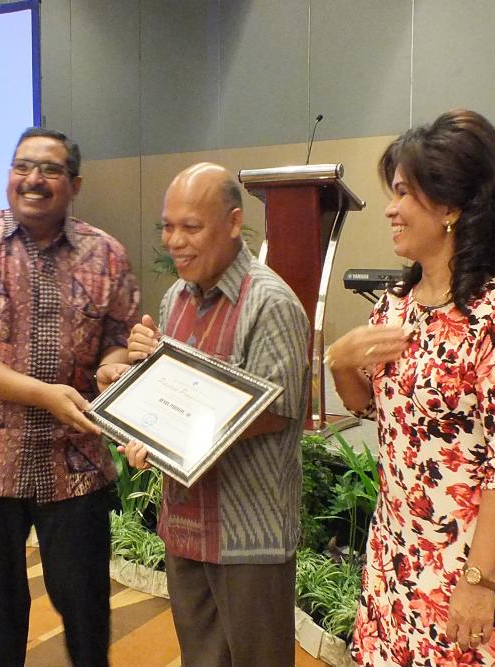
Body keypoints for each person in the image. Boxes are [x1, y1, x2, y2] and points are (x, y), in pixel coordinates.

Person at [327, 110, 495, 666]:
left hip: (465, 567)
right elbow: (372, 408)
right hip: (396, 553)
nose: (391, 210)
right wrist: (340, 361)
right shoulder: (395, 305)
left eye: (403, 193)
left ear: (449, 207)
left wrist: (478, 581)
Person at [0, 127, 140, 667]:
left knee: (87, 608)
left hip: (76, 463)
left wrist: (115, 372)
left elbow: (119, 346)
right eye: (23, 167)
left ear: (75, 183)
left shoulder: (106, 255)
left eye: (49, 169)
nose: (33, 180)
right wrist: (44, 394)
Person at [100, 162, 310, 667]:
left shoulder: (271, 302)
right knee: (201, 660)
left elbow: (276, 411)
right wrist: (136, 395)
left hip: (248, 538)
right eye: (168, 226)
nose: (175, 241)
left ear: (234, 223)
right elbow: (168, 394)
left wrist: (171, 417)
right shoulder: (175, 298)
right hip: (186, 527)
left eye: (190, 227)